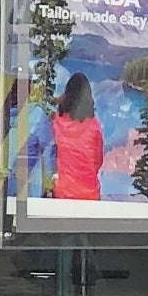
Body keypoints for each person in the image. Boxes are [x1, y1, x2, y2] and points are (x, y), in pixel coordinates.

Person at [47, 71, 105, 202]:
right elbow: (97, 161)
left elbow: (50, 155)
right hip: (90, 194)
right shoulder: (94, 125)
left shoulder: (57, 122)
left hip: (63, 193)